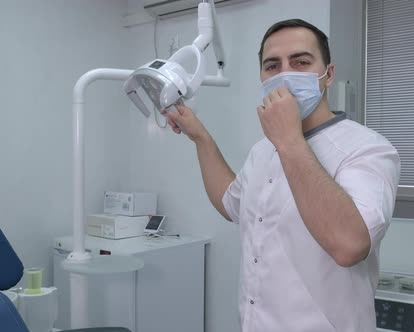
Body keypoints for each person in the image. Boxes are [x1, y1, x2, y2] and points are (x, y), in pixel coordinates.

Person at [163, 19, 400, 332]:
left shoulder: (367, 149)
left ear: (328, 75)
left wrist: (289, 140)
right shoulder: (263, 150)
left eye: (301, 62)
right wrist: (201, 138)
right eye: (272, 65)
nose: (285, 75)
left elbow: (349, 246)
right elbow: (230, 203)